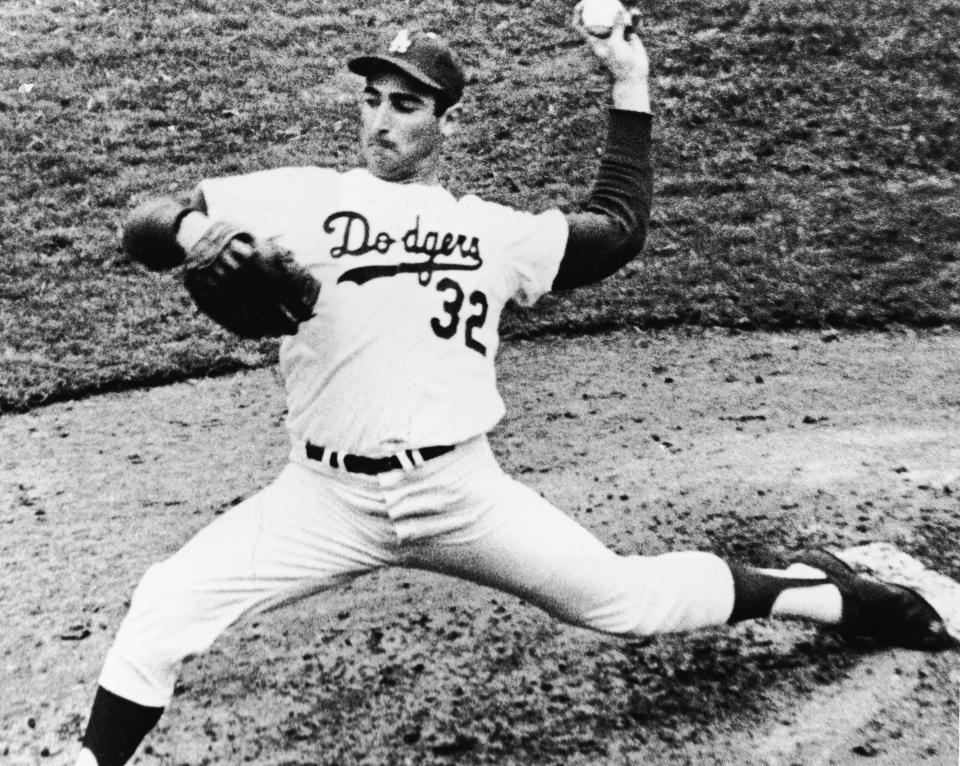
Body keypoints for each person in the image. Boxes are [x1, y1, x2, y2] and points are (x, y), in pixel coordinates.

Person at [74, 10, 955, 766]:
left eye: (407, 105)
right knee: (166, 601)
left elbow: (617, 228)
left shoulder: (492, 232)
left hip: (458, 491)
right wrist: (194, 228)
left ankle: (840, 592)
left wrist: (630, 81)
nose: (382, 121)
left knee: (624, 602)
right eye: (371, 99)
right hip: (323, 499)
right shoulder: (295, 196)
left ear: (445, 123)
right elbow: (140, 223)